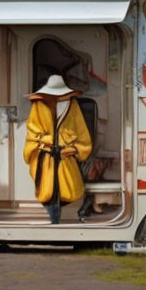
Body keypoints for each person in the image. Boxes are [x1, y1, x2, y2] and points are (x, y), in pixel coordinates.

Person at [23, 75, 92, 224]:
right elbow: (32, 132)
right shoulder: (39, 105)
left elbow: (81, 132)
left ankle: (57, 218)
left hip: (66, 156)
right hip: (45, 157)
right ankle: (54, 219)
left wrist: (73, 149)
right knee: (47, 191)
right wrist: (42, 144)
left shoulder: (72, 105)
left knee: (67, 190)